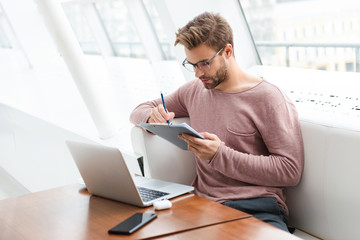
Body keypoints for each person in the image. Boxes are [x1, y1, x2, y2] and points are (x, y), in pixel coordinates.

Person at [130, 12, 304, 232]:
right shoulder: (195, 90)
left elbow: (290, 170)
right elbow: (138, 110)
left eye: (204, 63)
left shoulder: (269, 99)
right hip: (203, 206)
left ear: (228, 51)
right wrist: (151, 116)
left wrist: (218, 155)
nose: (197, 74)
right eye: (192, 65)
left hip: (257, 207)